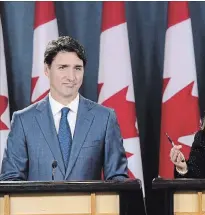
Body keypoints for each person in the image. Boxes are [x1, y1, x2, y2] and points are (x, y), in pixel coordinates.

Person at [0, 36, 128, 181]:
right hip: (40, 204)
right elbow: (10, 180)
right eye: (63, 68)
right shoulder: (23, 121)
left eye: (77, 68)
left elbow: (118, 179)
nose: (71, 77)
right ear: (47, 70)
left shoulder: (104, 118)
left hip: (89, 204)